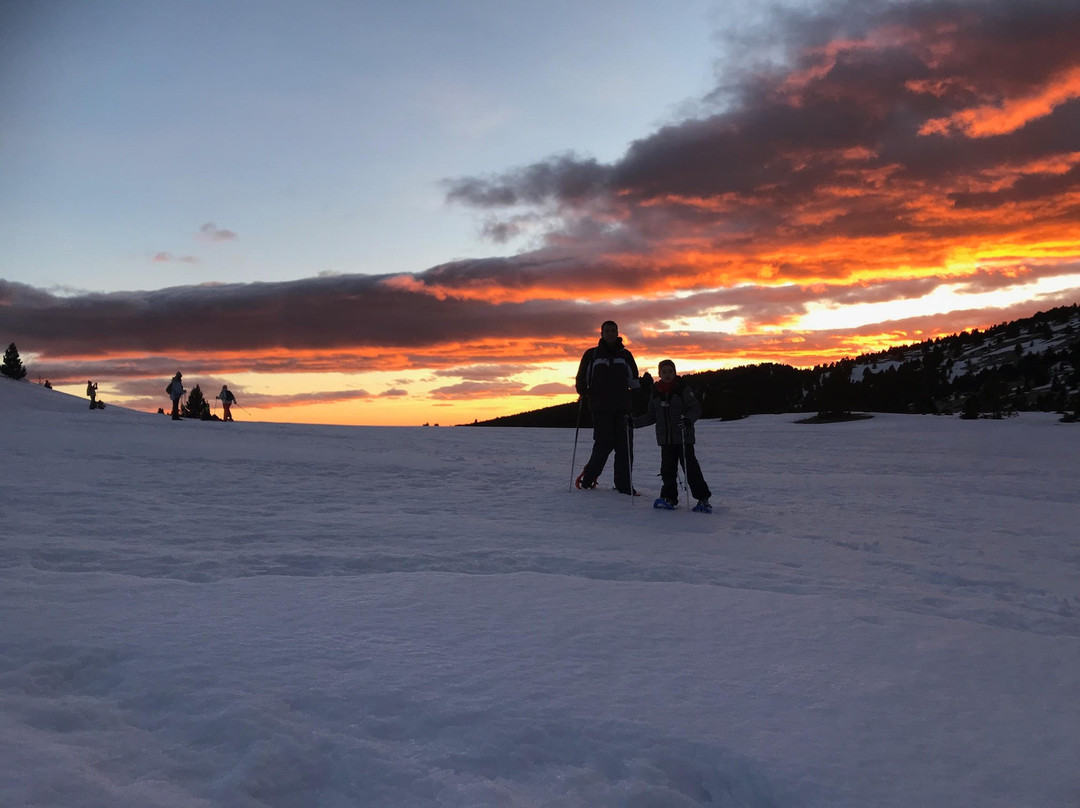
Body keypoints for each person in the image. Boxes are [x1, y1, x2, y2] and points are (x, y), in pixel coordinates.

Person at [634, 359, 713, 513]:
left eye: (670, 371)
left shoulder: (683, 389)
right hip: (666, 440)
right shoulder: (656, 392)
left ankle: (703, 499)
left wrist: (689, 420)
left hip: (684, 439)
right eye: (664, 372)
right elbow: (651, 416)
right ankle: (668, 498)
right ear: (660, 374)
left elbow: (695, 408)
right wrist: (634, 423)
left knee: (691, 470)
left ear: (675, 372)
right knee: (667, 471)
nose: (668, 374)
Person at [574, 320, 640, 495]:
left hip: (623, 408)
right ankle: (588, 479)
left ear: (618, 333)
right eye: (607, 331)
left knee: (624, 447)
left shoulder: (625, 355)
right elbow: (582, 377)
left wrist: (644, 384)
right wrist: (581, 389)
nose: (610, 333)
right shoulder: (592, 355)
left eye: (613, 330)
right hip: (600, 408)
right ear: (601, 333)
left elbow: (633, 381)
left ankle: (624, 486)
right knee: (603, 445)